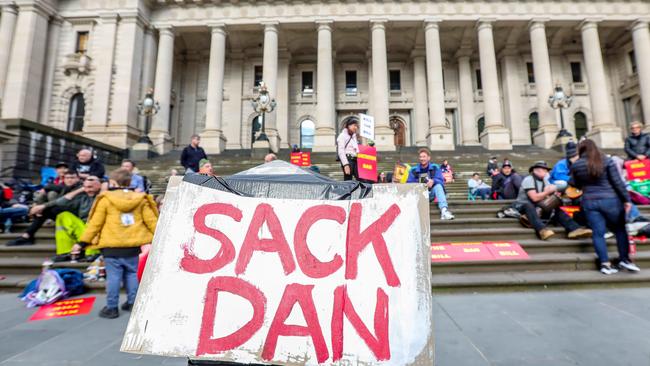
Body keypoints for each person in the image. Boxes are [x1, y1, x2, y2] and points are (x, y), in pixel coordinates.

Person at [72, 168, 159, 319]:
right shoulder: (141, 199)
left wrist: (82, 243)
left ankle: (112, 307)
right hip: (132, 245)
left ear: (112, 182)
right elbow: (152, 222)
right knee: (132, 274)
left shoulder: (105, 199)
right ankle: (132, 303)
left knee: (113, 277)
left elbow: (95, 224)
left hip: (111, 246)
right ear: (130, 181)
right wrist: (161, 238)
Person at [570, 140, 640, 275]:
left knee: (598, 233)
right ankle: (624, 259)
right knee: (620, 230)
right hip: (610, 200)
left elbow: (574, 183)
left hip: (589, 201)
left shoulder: (577, 164)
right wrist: (626, 200)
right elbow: (617, 182)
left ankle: (605, 264)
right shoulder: (606, 161)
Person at [514, 161, 592, 240]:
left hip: (539, 206)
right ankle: (542, 230)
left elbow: (546, 197)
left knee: (556, 207)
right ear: (535, 170)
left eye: (546, 170)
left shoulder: (545, 180)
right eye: (544, 170)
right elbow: (534, 198)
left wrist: (554, 197)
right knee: (528, 205)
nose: (546, 172)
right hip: (523, 206)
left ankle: (574, 229)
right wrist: (547, 192)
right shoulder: (528, 179)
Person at [6, 170, 82, 246]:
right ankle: (27, 235)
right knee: (44, 209)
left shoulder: (81, 188)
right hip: (66, 213)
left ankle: (27, 236)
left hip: (77, 216)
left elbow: (64, 203)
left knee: (46, 209)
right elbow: (50, 187)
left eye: (72, 178)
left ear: (78, 178)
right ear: (64, 179)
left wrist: (43, 206)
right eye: (67, 178)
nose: (69, 180)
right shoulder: (65, 188)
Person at [51, 175, 102, 256]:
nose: (88, 190)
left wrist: (103, 189)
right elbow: (60, 203)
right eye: (86, 187)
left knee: (93, 224)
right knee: (62, 216)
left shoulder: (105, 196)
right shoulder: (83, 197)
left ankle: (92, 253)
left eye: (90, 187)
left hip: (97, 230)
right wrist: (80, 190)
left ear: (99, 186)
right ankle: (65, 252)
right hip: (83, 228)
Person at [407, 148, 455, 220]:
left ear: (429, 158)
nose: (422, 158)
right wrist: (419, 184)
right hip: (419, 195)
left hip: (430, 194)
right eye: (420, 157)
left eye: (424, 156)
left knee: (438, 186)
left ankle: (444, 211)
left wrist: (433, 181)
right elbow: (409, 183)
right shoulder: (413, 170)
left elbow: (441, 180)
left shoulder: (435, 167)